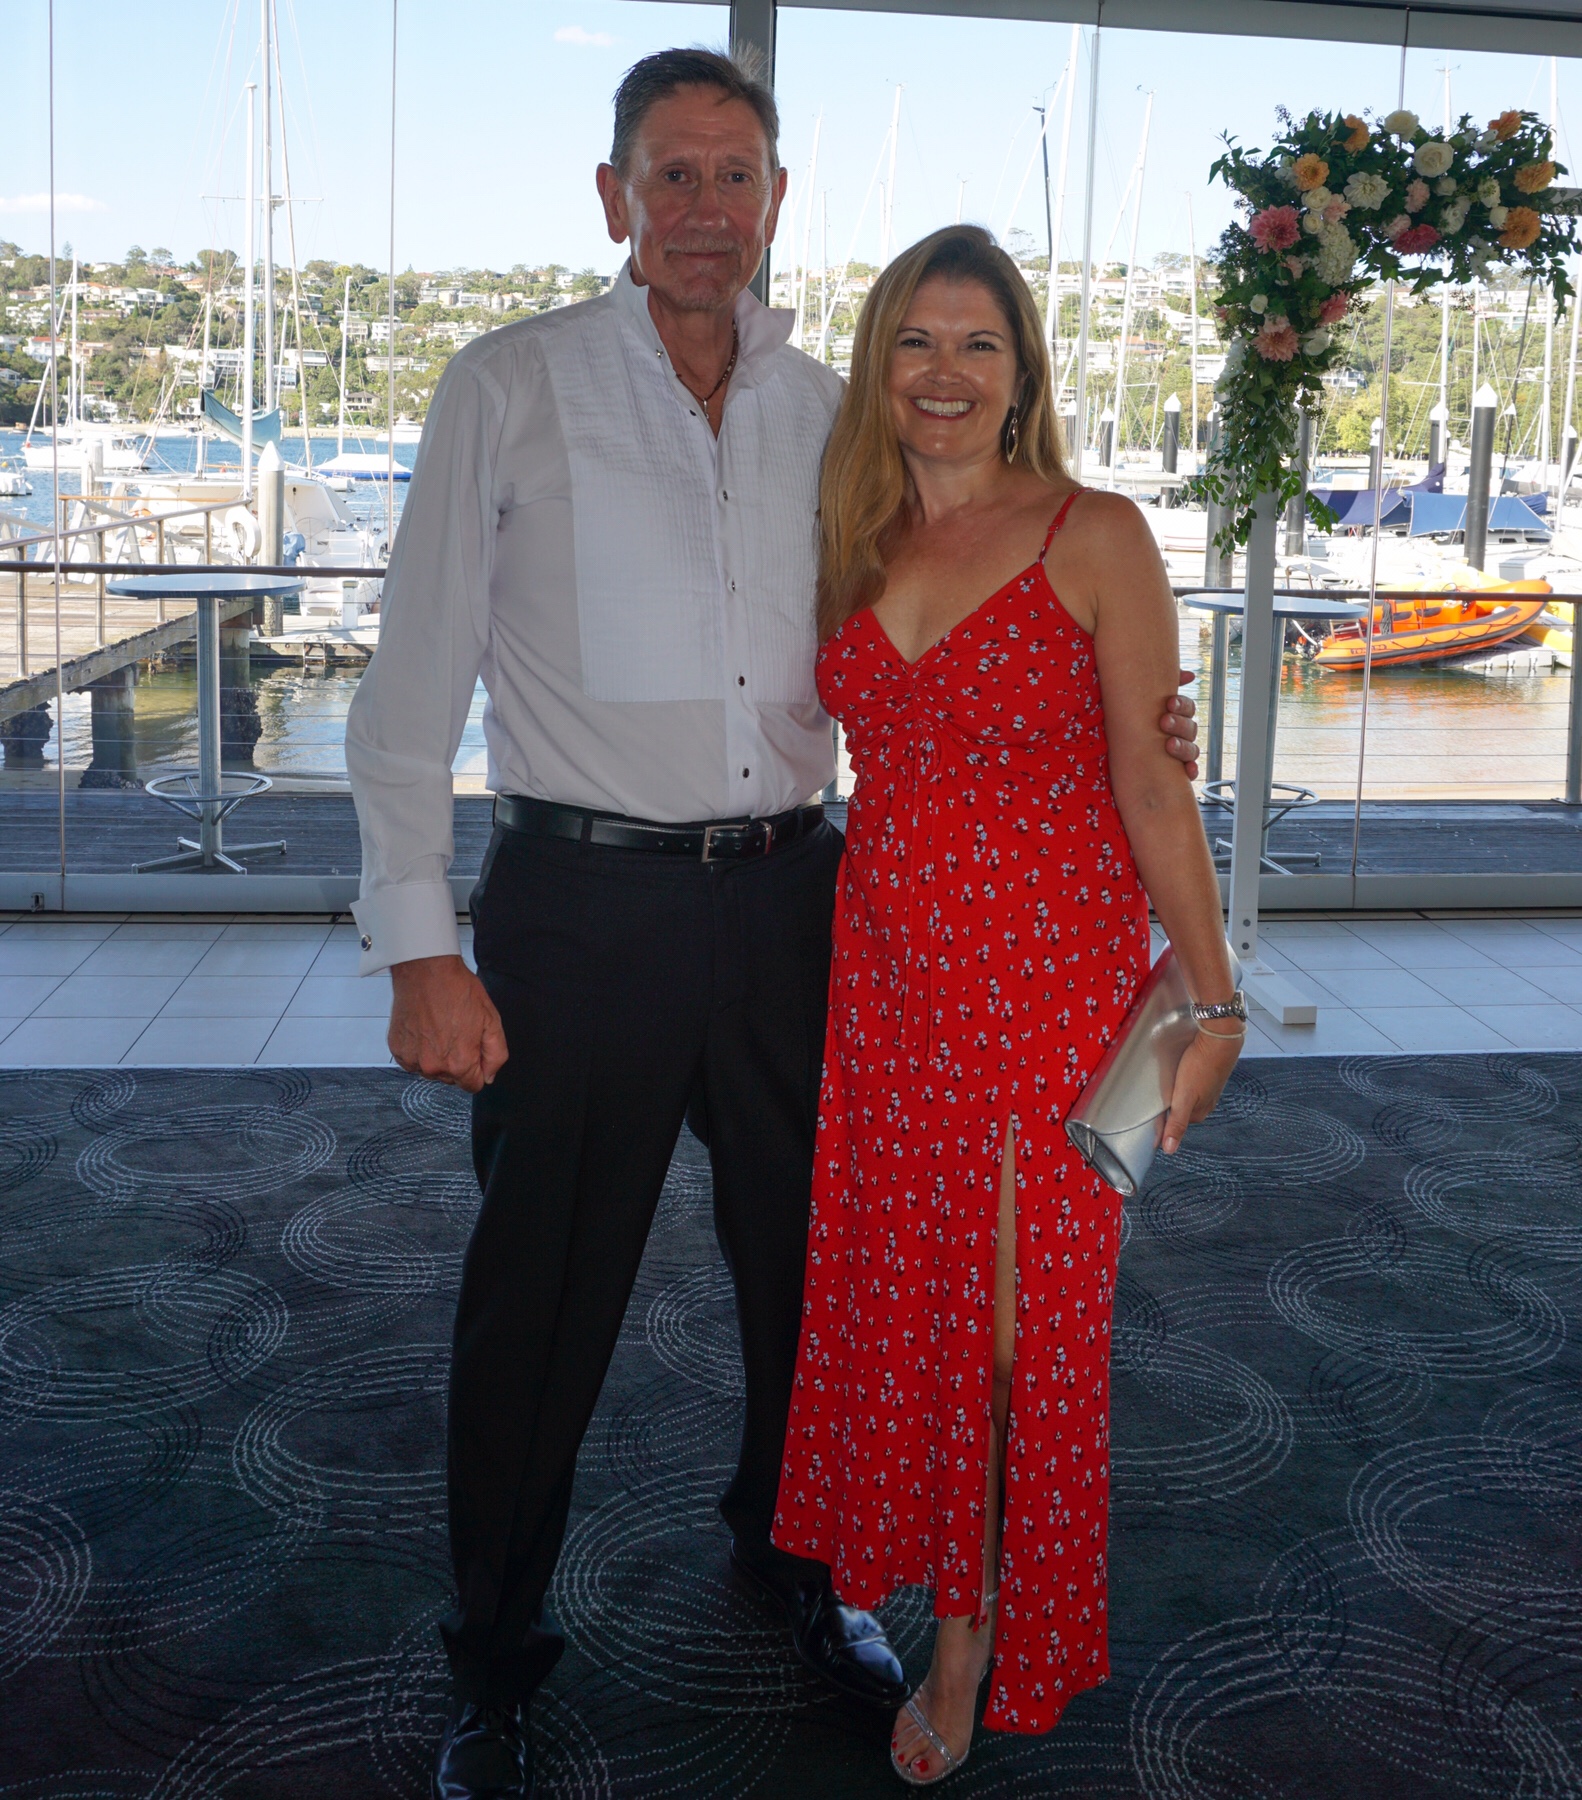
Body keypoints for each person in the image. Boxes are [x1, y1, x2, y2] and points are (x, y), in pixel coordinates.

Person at [345, 51, 1199, 1800]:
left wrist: (1135, 720)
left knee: (821, 1279)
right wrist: (419, 942)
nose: (701, 209)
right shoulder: (507, 384)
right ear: (612, 196)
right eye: (669, 174)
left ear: (777, 203)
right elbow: (411, 678)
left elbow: (979, 617)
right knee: (542, 1296)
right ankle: (496, 1653)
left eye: (732, 176)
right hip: (583, 910)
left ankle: (799, 1567)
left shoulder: (839, 418)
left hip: (812, 908)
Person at [770, 225, 1244, 1788]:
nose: (944, 372)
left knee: (1007, 1331)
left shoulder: (1092, 533)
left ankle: (971, 1642)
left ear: (1023, 370)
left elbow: (1153, 786)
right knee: (908, 1300)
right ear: (878, 366)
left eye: (977, 342)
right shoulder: (853, 536)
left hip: (1046, 981)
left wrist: (1215, 1002)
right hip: (888, 987)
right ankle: (927, 1583)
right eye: (915, 340)